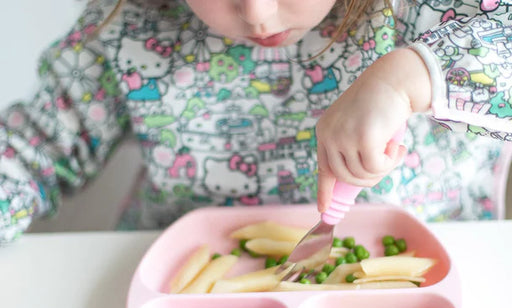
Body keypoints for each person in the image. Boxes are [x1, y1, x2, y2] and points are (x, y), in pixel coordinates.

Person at [1, 0, 511, 244]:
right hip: (180, 261)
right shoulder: (128, 23)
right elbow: (29, 151)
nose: (259, 14)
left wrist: (410, 76)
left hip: (438, 252)